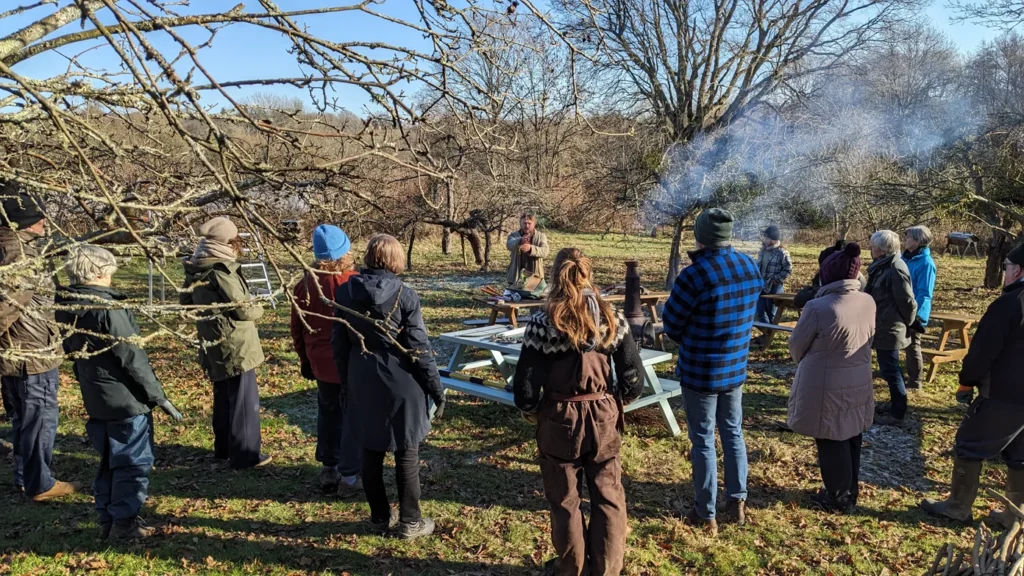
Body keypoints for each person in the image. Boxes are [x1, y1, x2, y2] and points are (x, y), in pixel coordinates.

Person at [512, 247, 646, 576]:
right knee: (608, 495)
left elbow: (526, 382)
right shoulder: (611, 317)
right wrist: (619, 401)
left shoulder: (543, 322)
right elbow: (633, 375)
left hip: (560, 416)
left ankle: (571, 568)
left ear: (557, 274)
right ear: (588, 272)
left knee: (564, 499)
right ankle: (607, 569)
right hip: (603, 414)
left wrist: (530, 409)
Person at [55, 246, 184, 540]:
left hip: (96, 395)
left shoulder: (65, 306)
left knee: (108, 461)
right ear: (102, 272)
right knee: (132, 461)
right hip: (126, 400)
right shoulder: (108, 308)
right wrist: (158, 396)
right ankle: (124, 522)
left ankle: (108, 517)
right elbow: (131, 357)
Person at [332, 234, 445, 540]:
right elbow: (419, 348)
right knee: (406, 453)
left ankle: (380, 517)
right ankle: (410, 521)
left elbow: (339, 345)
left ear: (368, 257)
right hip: (401, 381)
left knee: (371, 451)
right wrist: (436, 387)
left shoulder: (344, 294)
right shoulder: (405, 296)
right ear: (396, 260)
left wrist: (347, 382)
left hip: (362, 377)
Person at [662, 208, 763, 536]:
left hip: (701, 371)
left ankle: (706, 513)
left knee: (703, 439)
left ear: (700, 237)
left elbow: (672, 325)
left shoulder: (694, 275)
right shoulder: (750, 266)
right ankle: (737, 502)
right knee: (733, 432)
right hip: (735, 368)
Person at [921, 243, 1024, 524]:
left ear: (1018, 270)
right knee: (1020, 454)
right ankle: (1016, 516)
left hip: (1005, 393)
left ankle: (957, 506)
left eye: (1006, 268)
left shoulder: (1010, 303)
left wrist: (967, 382)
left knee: (970, 444)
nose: (1004, 273)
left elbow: (982, 350)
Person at [0, 190, 78, 502]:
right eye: (40, 217)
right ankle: (39, 484)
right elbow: (5, 308)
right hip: (31, 356)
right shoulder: (22, 258)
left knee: (24, 420)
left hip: (17, 354)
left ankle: (27, 477)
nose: (45, 222)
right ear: (29, 223)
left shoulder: (10, 251)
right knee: (39, 420)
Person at [787, 243, 876, 513]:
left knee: (830, 438)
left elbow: (796, 347)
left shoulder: (817, 307)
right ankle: (849, 491)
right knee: (851, 436)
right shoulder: (867, 300)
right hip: (858, 379)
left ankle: (837, 498)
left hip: (825, 385)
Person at [181, 217, 271, 469]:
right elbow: (244, 310)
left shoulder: (195, 268)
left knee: (223, 396)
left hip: (212, 341)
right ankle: (245, 455)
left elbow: (185, 303)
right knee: (243, 399)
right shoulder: (221, 270)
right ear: (227, 242)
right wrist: (258, 308)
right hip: (235, 343)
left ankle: (224, 448)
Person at [290, 224, 362, 496]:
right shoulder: (353, 283)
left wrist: (304, 358)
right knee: (352, 416)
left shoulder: (305, 285)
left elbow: (297, 327)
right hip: (350, 361)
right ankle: (350, 474)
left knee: (328, 413)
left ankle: (328, 467)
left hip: (320, 360)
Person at [865, 230, 917, 426]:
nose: (870, 248)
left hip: (891, 327)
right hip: (882, 325)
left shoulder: (895, 268)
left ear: (884, 248)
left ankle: (897, 413)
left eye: (873, 245)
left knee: (891, 370)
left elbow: (908, 301)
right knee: (889, 370)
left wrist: (909, 324)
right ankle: (896, 403)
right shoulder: (882, 266)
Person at [902, 226, 937, 390]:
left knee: (913, 345)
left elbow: (924, 292)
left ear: (917, 240)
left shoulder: (926, 263)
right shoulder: (905, 257)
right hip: (900, 308)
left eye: (908, 237)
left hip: (914, 311)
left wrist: (917, 316)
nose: (905, 240)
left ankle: (916, 382)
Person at [754, 224, 793, 331]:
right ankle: (767, 333)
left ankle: (772, 334)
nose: (765, 240)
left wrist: (776, 279)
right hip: (762, 285)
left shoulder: (782, 252)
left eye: (768, 238)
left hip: (774, 286)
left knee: (771, 312)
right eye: (765, 237)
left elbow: (788, 270)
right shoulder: (762, 251)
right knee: (760, 311)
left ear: (774, 240)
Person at [506, 213, 550, 285]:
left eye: (529, 223)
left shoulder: (541, 236)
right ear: (520, 223)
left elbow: (545, 251)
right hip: (515, 276)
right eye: (524, 223)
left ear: (534, 224)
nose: (526, 226)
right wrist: (519, 240)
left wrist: (531, 249)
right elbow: (509, 245)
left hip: (535, 276)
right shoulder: (513, 235)